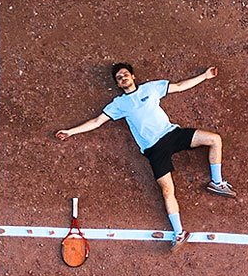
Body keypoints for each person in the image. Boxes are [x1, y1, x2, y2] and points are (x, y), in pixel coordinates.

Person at [54, 62, 236, 249]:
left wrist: (204, 76)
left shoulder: (151, 88)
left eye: (125, 74)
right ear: (118, 85)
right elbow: (97, 121)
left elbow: (179, 86)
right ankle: (179, 233)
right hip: (154, 148)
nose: (123, 78)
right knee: (167, 191)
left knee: (215, 140)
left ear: (133, 77)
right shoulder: (119, 104)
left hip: (173, 134)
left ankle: (217, 182)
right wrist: (70, 132)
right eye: (119, 78)